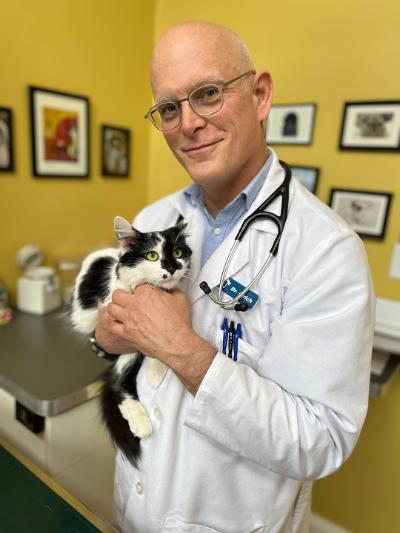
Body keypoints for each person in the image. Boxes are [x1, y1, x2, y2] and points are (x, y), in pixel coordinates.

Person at [94, 21, 375, 533]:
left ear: (260, 95)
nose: (189, 124)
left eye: (207, 94)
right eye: (170, 109)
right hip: (135, 503)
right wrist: (107, 335)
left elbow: (321, 438)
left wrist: (182, 346)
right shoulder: (155, 217)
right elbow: (119, 334)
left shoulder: (327, 251)